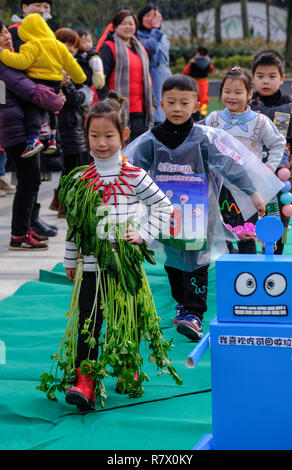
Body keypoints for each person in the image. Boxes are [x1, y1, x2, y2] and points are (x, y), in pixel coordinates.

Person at [39, 95, 181, 410]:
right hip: (90, 265)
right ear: (86, 135)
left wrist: (142, 234)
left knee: (128, 318)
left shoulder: (134, 176)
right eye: (94, 136)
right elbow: (76, 224)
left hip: (125, 263)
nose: (101, 143)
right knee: (88, 321)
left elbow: (163, 206)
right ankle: (85, 379)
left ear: (124, 136)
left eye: (109, 136)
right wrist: (69, 257)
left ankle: (127, 368)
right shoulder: (80, 179)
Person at [126, 74, 281, 341]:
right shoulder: (152, 139)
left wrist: (252, 193)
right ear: (161, 103)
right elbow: (131, 169)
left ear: (196, 105)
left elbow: (230, 167)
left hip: (201, 215)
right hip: (167, 216)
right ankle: (182, 303)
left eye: (184, 103)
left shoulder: (204, 138)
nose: (177, 108)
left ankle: (195, 315)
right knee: (173, 263)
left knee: (197, 263)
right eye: (171, 102)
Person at [204, 66, 286, 254]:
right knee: (220, 227)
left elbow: (278, 143)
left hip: (247, 188)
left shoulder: (259, 121)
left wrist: (268, 168)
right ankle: (228, 260)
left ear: (249, 94)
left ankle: (246, 268)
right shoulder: (214, 119)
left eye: (238, 92)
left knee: (246, 232)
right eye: (227, 91)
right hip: (220, 185)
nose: (231, 97)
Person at [0, 20, 64, 250]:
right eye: (1, 34)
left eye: (6, 31)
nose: (7, 37)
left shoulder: (9, 61)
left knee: (30, 181)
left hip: (15, 128)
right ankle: (19, 235)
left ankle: (24, 230)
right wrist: (57, 97)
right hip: (17, 130)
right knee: (29, 181)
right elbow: (31, 91)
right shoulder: (4, 65)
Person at [0, 13, 86, 158]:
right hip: (55, 84)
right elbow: (72, 65)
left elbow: (22, 62)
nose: (8, 36)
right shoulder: (58, 45)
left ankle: (34, 138)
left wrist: (3, 54)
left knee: (32, 109)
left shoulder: (32, 45)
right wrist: (80, 78)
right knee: (50, 111)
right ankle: (52, 140)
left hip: (38, 83)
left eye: (6, 32)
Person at [251, 50, 292, 254]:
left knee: (283, 210)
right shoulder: (248, 106)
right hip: (254, 169)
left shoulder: (291, 108)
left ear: (281, 79)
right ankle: (248, 250)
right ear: (252, 78)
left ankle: (278, 249)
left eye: (272, 77)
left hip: (284, 171)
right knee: (253, 212)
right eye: (260, 76)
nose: (266, 82)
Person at [48, 28, 94, 218]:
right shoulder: (50, 65)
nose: (71, 48)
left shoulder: (77, 67)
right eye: (66, 43)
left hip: (73, 123)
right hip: (60, 123)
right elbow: (76, 98)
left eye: (74, 45)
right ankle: (63, 206)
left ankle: (60, 202)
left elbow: (81, 96)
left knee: (74, 164)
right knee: (71, 166)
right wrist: (67, 86)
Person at [99, 9, 154, 141]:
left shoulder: (140, 48)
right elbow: (101, 79)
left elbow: (147, 77)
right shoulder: (109, 47)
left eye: (131, 24)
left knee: (137, 148)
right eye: (123, 24)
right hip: (117, 108)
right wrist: (108, 101)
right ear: (115, 26)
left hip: (139, 109)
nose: (128, 27)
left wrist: (152, 99)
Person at [137, 3, 172, 124]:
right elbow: (150, 48)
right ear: (141, 18)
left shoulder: (163, 37)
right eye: (148, 15)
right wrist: (155, 29)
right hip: (151, 77)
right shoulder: (137, 36)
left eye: (155, 16)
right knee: (155, 112)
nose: (152, 19)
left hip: (166, 77)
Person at [183, 45, 214, 120]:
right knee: (204, 99)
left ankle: (193, 114)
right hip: (204, 82)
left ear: (197, 52)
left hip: (193, 82)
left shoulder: (193, 61)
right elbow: (211, 69)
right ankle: (203, 114)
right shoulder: (208, 61)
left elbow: (186, 71)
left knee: (193, 98)